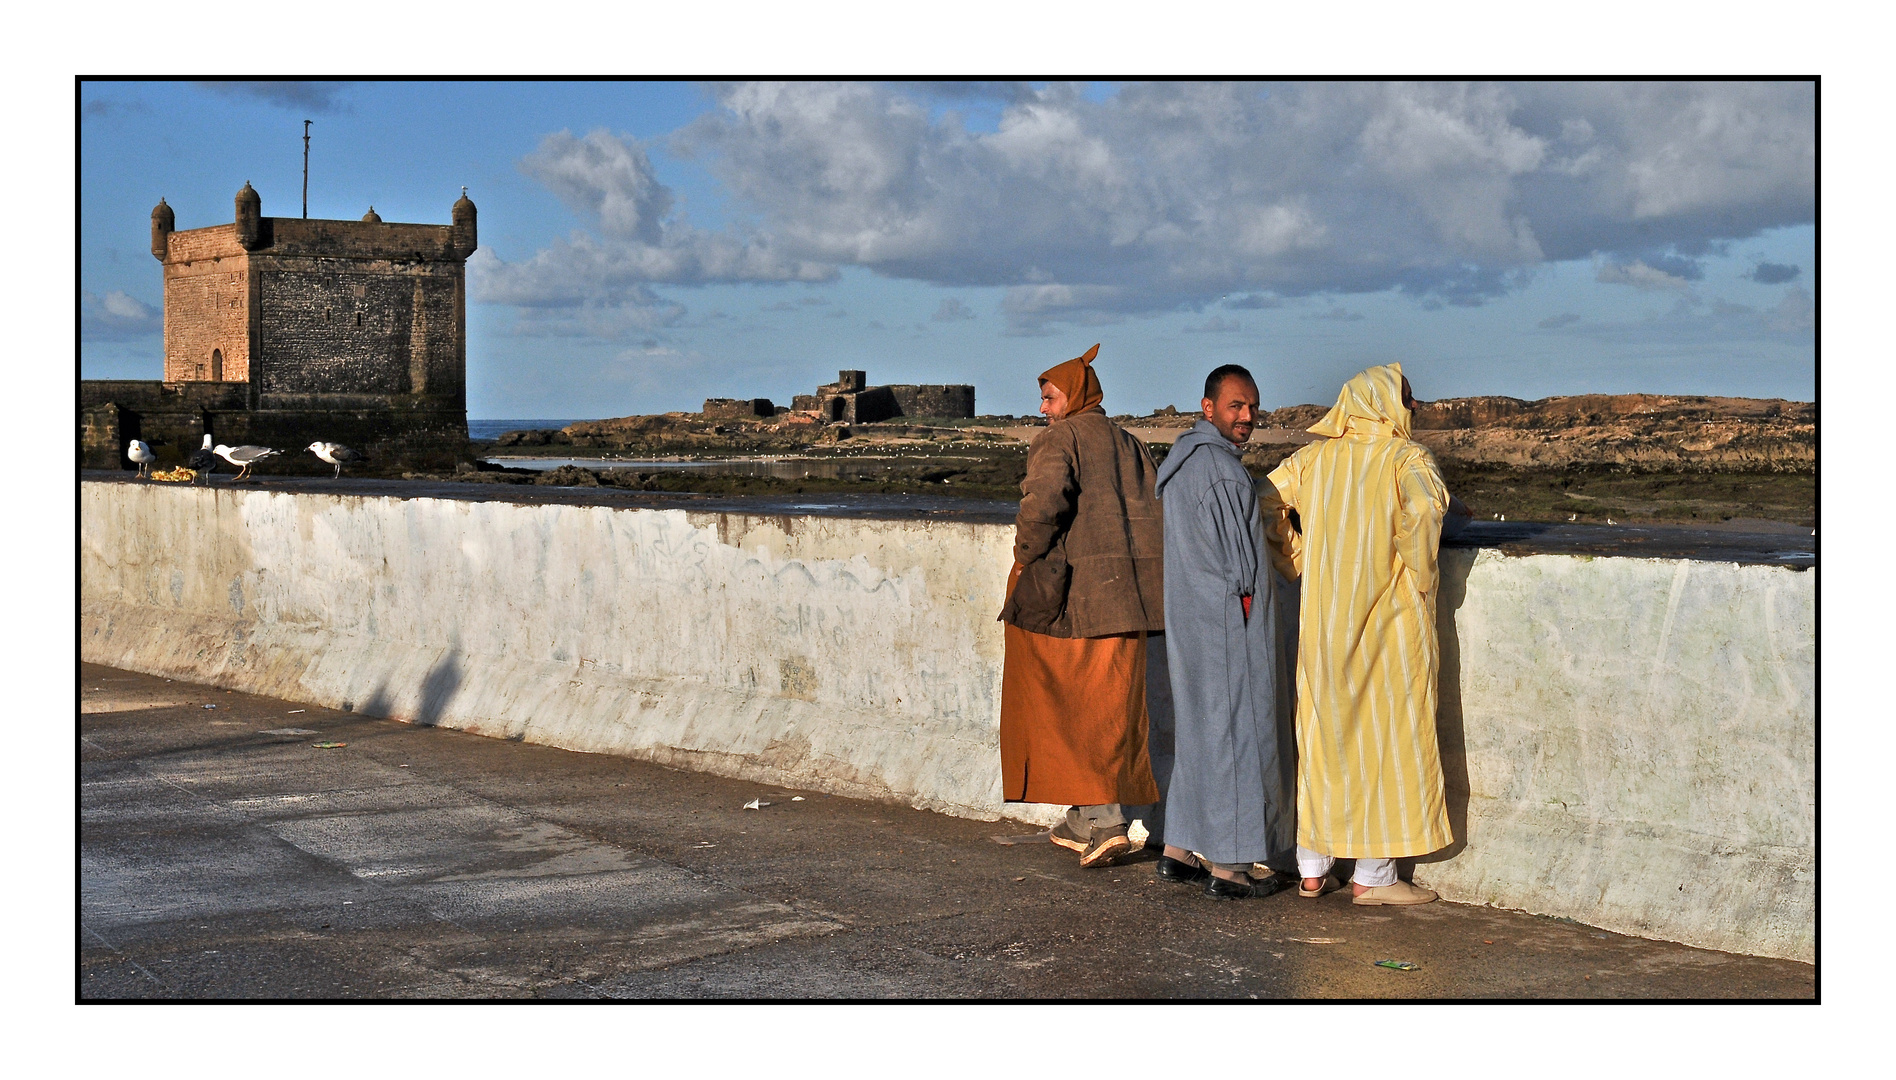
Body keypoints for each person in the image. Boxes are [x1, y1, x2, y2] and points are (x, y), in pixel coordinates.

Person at [1261, 362, 1451, 905]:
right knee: (1386, 742)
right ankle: (1374, 876)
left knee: (1324, 740)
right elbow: (1425, 507)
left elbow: (1264, 500)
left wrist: (1296, 558)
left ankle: (1313, 869)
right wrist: (1418, 574)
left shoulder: (1313, 460)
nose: (1415, 409)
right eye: (1408, 399)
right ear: (1386, 404)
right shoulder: (1405, 458)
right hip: (1386, 627)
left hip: (1323, 623)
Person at [999, 343, 1166, 869]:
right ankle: (1081, 817)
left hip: (1077, 600)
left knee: (1067, 703)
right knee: (1113, 706)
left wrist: (1024, 556)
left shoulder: (1060, 438)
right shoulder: (1131, 443)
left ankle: (1104, 818)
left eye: (1049, 397)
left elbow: (1041, 507)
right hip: (1132, 599)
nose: (1043, 408)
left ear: (1072, 397)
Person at [1151, 364, 1296, 899]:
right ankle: (1231, 866)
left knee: (1199, 731)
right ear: (1208, 407)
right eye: (1236, 406)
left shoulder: (1182, 464)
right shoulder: (1225, 474)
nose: (1247, 417)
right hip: (1227, 624)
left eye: (1253, 407)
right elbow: (1241, 568)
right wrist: (1248, 620)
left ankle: (1180, 848)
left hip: (1189, 619)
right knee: (1236, 732)